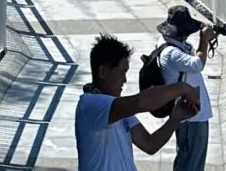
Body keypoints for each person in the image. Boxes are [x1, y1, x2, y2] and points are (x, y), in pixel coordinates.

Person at [75, 34, 198, 170]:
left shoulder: (119, 110)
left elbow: (149, 144)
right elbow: (142, 102)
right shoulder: (91, 105)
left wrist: (175, 119)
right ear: (103, 71)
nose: (125, 80)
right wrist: (182, 88)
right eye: (123, 72)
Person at [154, 6, 215, 171]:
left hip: (191, 113)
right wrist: (204, 41)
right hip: (190, 116)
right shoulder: (171, 53)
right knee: (191, 164)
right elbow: (197, 64)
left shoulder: (171, 44)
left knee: (188, 161)